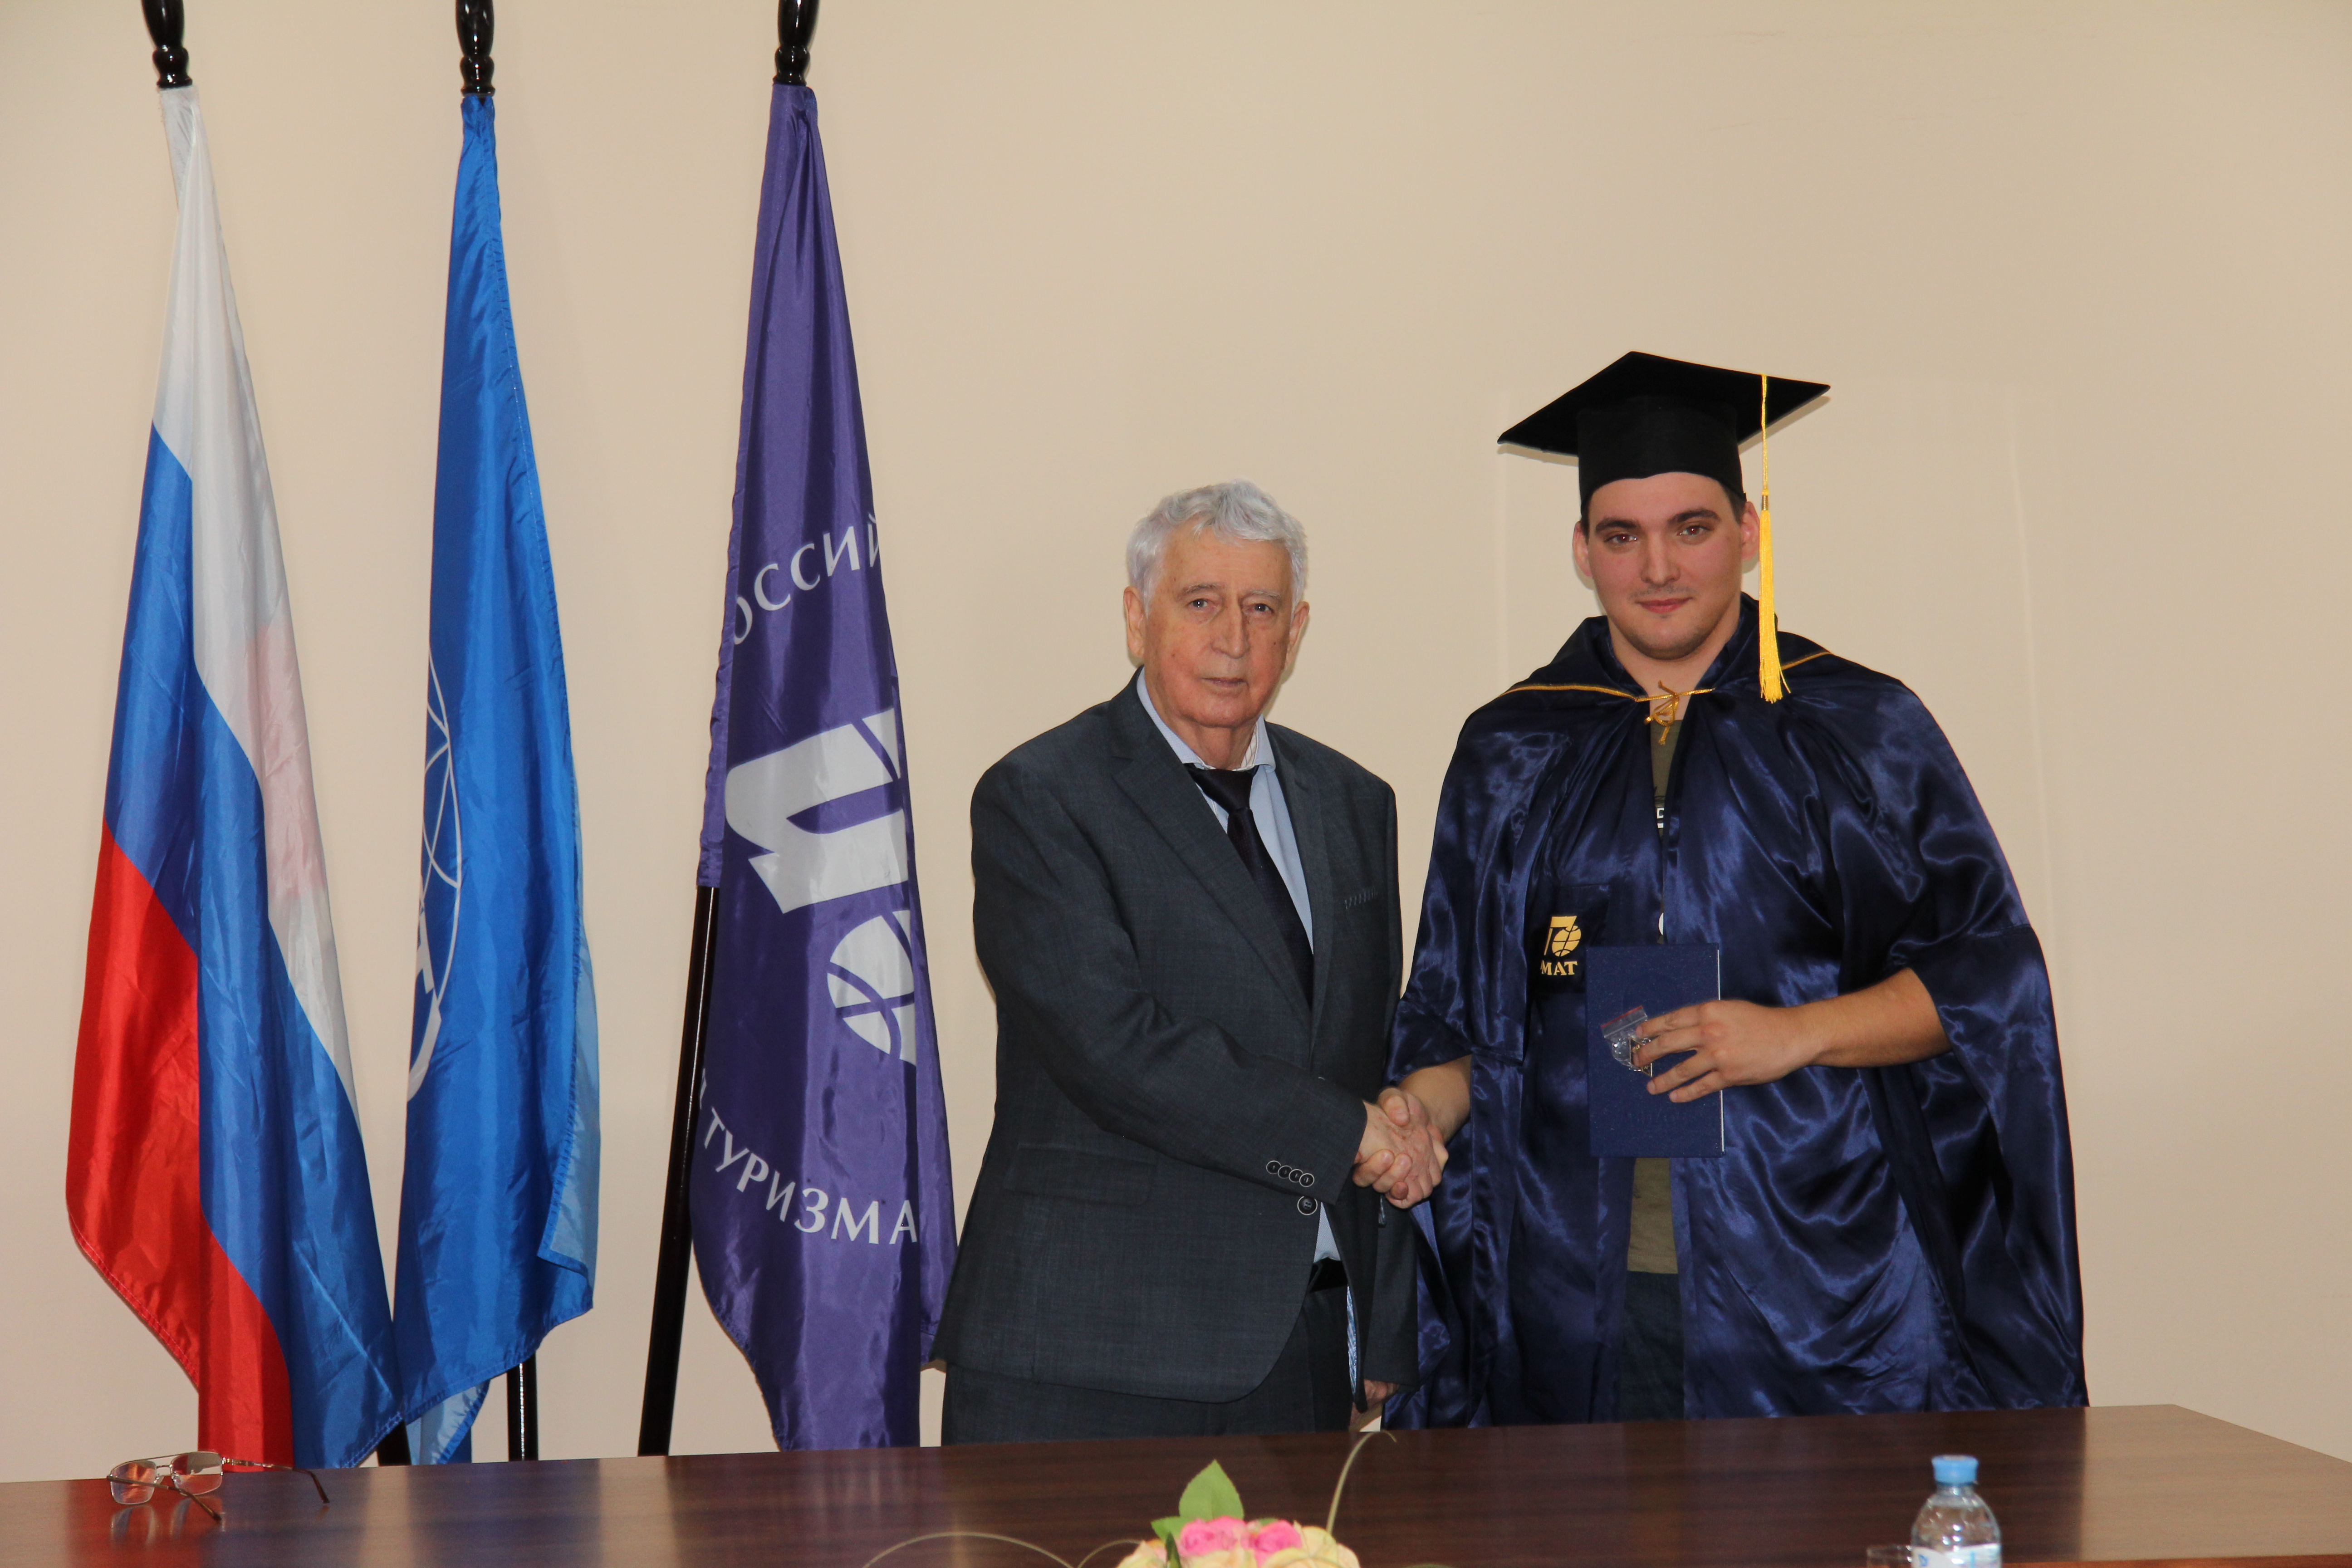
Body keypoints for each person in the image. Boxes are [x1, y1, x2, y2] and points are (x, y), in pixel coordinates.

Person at [1380, 353, 2084, 1427]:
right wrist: (1413, 1113)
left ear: (1749, 531)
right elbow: (1460, 1017)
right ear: (1582, 550)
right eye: (1622, 536)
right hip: (1577, 1294)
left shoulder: (1858, 730)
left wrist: (1795, 1033)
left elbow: (1990, 984)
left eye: (1693, 528)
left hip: (1827, 1281)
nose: (1658, 566)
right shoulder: (1514, 749)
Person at [935, 480, 1435, 1442]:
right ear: (1137, 618)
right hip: (1092, 1356)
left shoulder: (1353, 801)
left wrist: (1380, 1324)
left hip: (1299, 1353)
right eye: (1200, 602)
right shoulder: (1041, 796)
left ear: (1298, 630)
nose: (1233, 639)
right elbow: (1111, 1047)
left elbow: (1363, 1054)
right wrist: (1351, 1135)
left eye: (1263, 609)